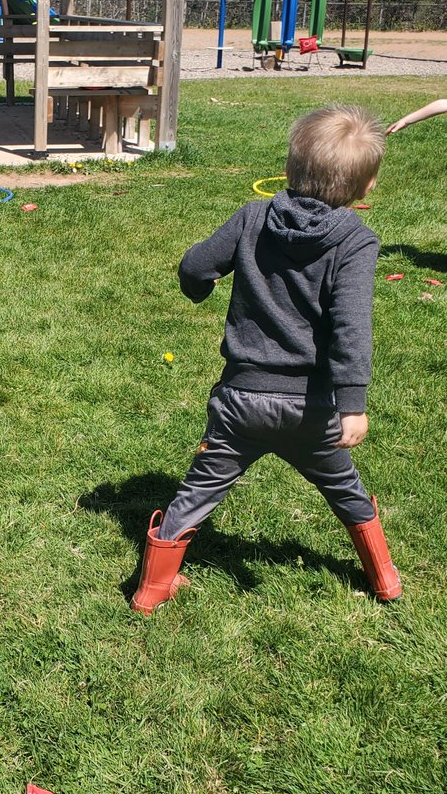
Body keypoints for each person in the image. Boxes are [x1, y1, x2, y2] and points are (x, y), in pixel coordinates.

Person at [133, 105, 402, 616]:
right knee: (344, 486)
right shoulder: (356, 241)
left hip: (240, 402)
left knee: (198, 489)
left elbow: (196, 265)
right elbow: (351, 326)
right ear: (367, 186)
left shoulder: (253, 216)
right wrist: (353, 402)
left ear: (291, 167)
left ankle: (151, 589)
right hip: (312, 409)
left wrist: (198, 287)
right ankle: (384, 578)